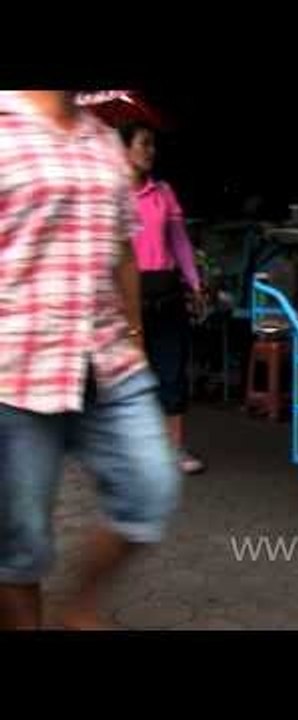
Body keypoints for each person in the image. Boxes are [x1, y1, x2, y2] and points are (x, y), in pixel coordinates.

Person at [0, 91, 181, 629]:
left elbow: (124, 251)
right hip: (16, 367)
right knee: (20, 542)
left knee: (151, 490)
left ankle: (79, 605)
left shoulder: (104, 142)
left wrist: (136, 336)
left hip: (107, 360)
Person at [120, 121, 206, 474]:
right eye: (143, 144)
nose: (150, 151)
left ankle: (175, 450)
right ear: (124, 150)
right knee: (130, 376)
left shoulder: (163, 193)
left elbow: (180, 243)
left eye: (153, 144)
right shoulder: (111, 195)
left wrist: (195, 284)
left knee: (172, 372)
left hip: (167, 291)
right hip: (127, 297)